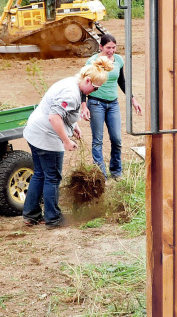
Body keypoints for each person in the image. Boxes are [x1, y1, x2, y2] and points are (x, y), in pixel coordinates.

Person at [22, 56, 113, 229]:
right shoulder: (72, 93)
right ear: (87, 80)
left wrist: (73, 125)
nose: (94, 91)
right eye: (95, 87)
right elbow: (54, 116)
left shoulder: (73, 82)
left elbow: (64, 113)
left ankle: (31, 215)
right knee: (52, 177)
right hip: (46, 137)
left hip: (34, 132)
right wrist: (66, 140)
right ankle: (53, 219)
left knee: (40, 174)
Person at [80, 34, 143, 179]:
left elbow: (122, 81)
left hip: (113, 104)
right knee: (98, 141)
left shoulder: (119, 60)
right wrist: (84, 106)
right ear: (101, 47)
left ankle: (116, 171)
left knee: (116, 139)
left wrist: (133, 99)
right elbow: (83, 84)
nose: (111, 50)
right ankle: (101, 175)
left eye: (114, 47)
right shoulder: (92, 61)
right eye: (108, 48)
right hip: (96, 103)